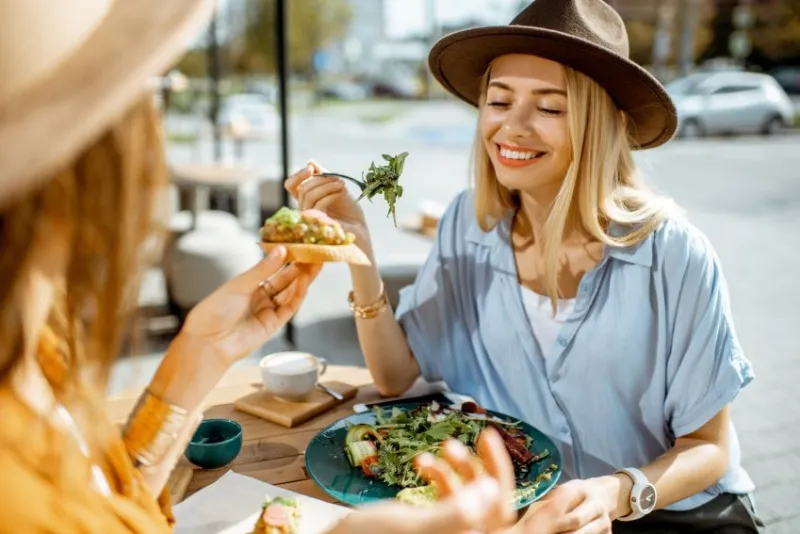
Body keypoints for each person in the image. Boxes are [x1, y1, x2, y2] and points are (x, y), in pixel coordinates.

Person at [0, 1, 571, 533]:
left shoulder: (32, 351)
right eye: (138, 99)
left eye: (549, 106)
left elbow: (104, 500)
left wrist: (200, 353)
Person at [284, 0, 765, 532]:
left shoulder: (673, 255)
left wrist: (617, 492)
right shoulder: (465, 225)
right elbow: (395, 379)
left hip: (670, 512)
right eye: (499, 100)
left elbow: (709, 448)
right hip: (533, 519)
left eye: (550, 108)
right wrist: (360, 254)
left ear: (600, 123)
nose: (511, 128)